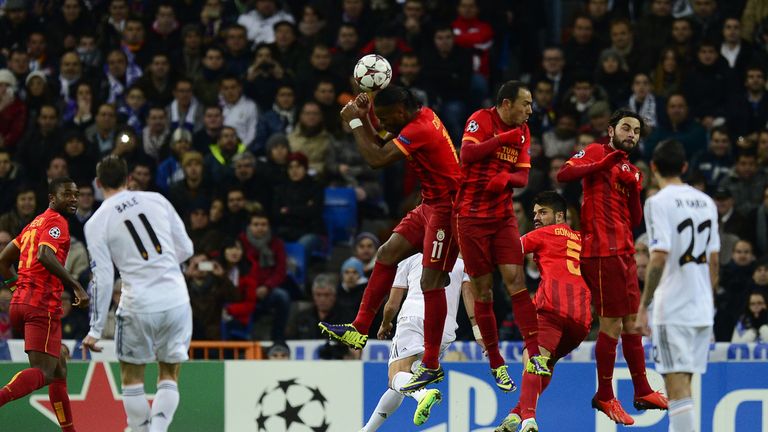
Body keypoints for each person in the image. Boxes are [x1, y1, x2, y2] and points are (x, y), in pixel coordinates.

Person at [319, 85, 462, 393]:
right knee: (385, 254)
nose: (382, 123)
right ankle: (359, 329)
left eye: (384, 117)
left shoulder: (421, 128)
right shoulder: (414, 119)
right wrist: (364, 116)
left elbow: (376, 158)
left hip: (448, 210)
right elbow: (381, 141)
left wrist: (355, 122)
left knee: (430, 283)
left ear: (400, 112)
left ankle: (432, 365)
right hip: (430, 205)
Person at [557, 109, 668, 424]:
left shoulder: (632, 168)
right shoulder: (595, 152)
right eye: (626, 128)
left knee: (632, 324)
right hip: (601, 252)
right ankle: (604, 395)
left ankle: (642, 389)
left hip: (626, 252)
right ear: (611, 130)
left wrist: (633, 187)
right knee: (612, 326)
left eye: (635, 131)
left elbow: (635, 218)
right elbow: (563, 174)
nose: (631, 134)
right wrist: (605, 163)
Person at [82, 156, 194, 432]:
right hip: (176, 299)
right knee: (169, 373)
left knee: (132, 378)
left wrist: (95, 329)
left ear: (98, 184)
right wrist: (162, 266)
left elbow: (104, 278)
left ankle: (140, 428)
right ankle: (156, 429)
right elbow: (187, 249)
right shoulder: (157, 200)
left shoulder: (96, 222)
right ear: (129, 179)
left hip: (138, 304)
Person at [452, 81, 543, 391]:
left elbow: (523, 176)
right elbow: (467, 154)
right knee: (484, 292)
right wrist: (504, 138)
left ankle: (534, 353)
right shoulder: (481, 119)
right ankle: (495, 360)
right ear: (507, 104)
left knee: (516, 282)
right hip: (471, 218)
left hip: (502, 216)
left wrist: (506, 179)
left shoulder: (524, 131)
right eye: (526, 103)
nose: (530, 110)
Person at [635, 139, 721, 432]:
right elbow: (714, 262)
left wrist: (644, 306)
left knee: (676, 388)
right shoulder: (707, 202)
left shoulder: (657, 202)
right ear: (684, 167)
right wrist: (708, 302)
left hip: (673, 307)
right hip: (701, 307)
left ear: (654, 167)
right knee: (685, 386)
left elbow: (658, 257)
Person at [495, 191, 592, 432]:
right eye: (535, 213)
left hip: (552, 311)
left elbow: (508, 250)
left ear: (560, 216)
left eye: (543, 212)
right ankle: (516, 414)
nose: (536, 217)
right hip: (581, 322)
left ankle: (528, 419)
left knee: (533, 358)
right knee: (545, 366)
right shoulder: (583, 239)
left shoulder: (544, 234)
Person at [0, 177, 89, 432]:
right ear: (52, 198)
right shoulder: (56, 222)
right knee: (45, 371)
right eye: (66, 195)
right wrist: (76, 285)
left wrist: (18, 289)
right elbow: (45, 254)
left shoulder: (33, 224)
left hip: (21, 303)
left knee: (59, 366)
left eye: (75, 194)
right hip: (41, 306)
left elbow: (3, 261)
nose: (72, 199)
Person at [360, 253, 475, 431]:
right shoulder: (461, 261)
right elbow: (470, 299)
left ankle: (423, 395)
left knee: (395, 375)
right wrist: (479, 331)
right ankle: (367, 430)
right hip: (444, 328)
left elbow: (392, 304)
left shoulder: (410, 257)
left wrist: (385, 323)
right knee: (405, 379)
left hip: (414, 317)